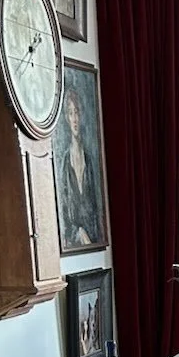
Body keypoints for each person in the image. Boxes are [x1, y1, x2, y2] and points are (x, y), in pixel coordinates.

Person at [56, 86, 104, 250]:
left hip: (93, 236)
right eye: (70, 113)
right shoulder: (64, 164)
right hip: (76, 239)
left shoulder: (89, 160)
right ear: (66, 118)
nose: (74, 118)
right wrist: (80, 233)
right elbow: (64, 214)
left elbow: (96, 212)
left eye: (76, 112)